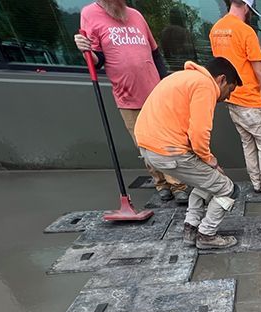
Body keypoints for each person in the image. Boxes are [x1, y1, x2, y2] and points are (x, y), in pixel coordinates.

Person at [75, 0, 189, 204]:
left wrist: (166, 83)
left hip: (155, 92)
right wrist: (86, 51)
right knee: (144, 144)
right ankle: (161, 183)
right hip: (127, 95)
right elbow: (97, 61)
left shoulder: (136, 15)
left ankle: (177, 184)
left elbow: (155, 54)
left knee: (167, 139)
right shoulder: (90, 14)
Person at [134, 58, 242, 250]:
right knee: (228, 189)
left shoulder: (182, 77)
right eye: (230, 90)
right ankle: (206, 235)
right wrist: (212, 162)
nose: (226, 98)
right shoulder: (205, 85)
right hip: (170, 151)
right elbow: (199, 133)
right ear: (222, 79)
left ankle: (190, 228)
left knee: (207, 183)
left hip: (150, 149)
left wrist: (209, 165)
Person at [210, 0, 261, 196]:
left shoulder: (216, 30)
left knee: (248, 142)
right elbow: (260, 70)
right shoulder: (246, 32)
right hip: (249, 99)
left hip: (230, 97)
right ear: (246, 7)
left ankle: (256, 182)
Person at [160, 6, 197, 71]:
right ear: (181, 18)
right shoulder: (184, 32)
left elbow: (165, 53)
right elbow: (192, 53)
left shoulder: (165, 32)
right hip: (188, 68)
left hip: (172, 69)